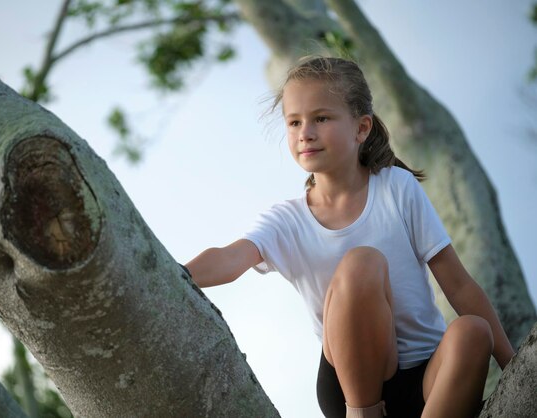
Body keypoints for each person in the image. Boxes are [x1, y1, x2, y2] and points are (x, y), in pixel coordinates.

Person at [184, 56, 515, 418]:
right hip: (350, 387)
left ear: (361, 128)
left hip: (428, 380)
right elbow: (230, 258)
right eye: (294, 122)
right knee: (362, 262)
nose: (304, 133)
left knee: (473, 331)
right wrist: (178, 274)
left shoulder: (396, 189)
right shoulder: (287, 220)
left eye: (321, 118)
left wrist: (516, 368)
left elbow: (460, 286)